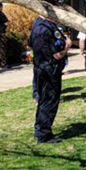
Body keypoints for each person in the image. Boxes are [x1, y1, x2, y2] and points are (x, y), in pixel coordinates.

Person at [29, 15, 69, 143]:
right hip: (49, 70)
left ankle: (42, 130)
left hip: (42, 68)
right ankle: (43, 134)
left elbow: (29, 43)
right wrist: (67, 45)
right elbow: (56, 55)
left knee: (44, 101)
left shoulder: (38, 25)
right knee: (49, 101)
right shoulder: (45, 28)